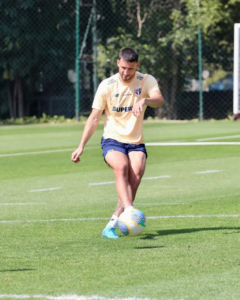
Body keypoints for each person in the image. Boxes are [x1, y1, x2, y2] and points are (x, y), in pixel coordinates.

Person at [71, 47, 164, 239]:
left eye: (130, 69)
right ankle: (129, 211)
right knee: (121, 167)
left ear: (137, 65)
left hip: (136, 142)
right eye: (122, 68)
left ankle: (112, 223)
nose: (125, 72)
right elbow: (94, 118)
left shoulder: (146, 80)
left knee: (135, 175)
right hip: (112, 139)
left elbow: (159, 100)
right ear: (117, 63)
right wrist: (81, 146)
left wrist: (145, 100)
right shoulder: (107, 85)